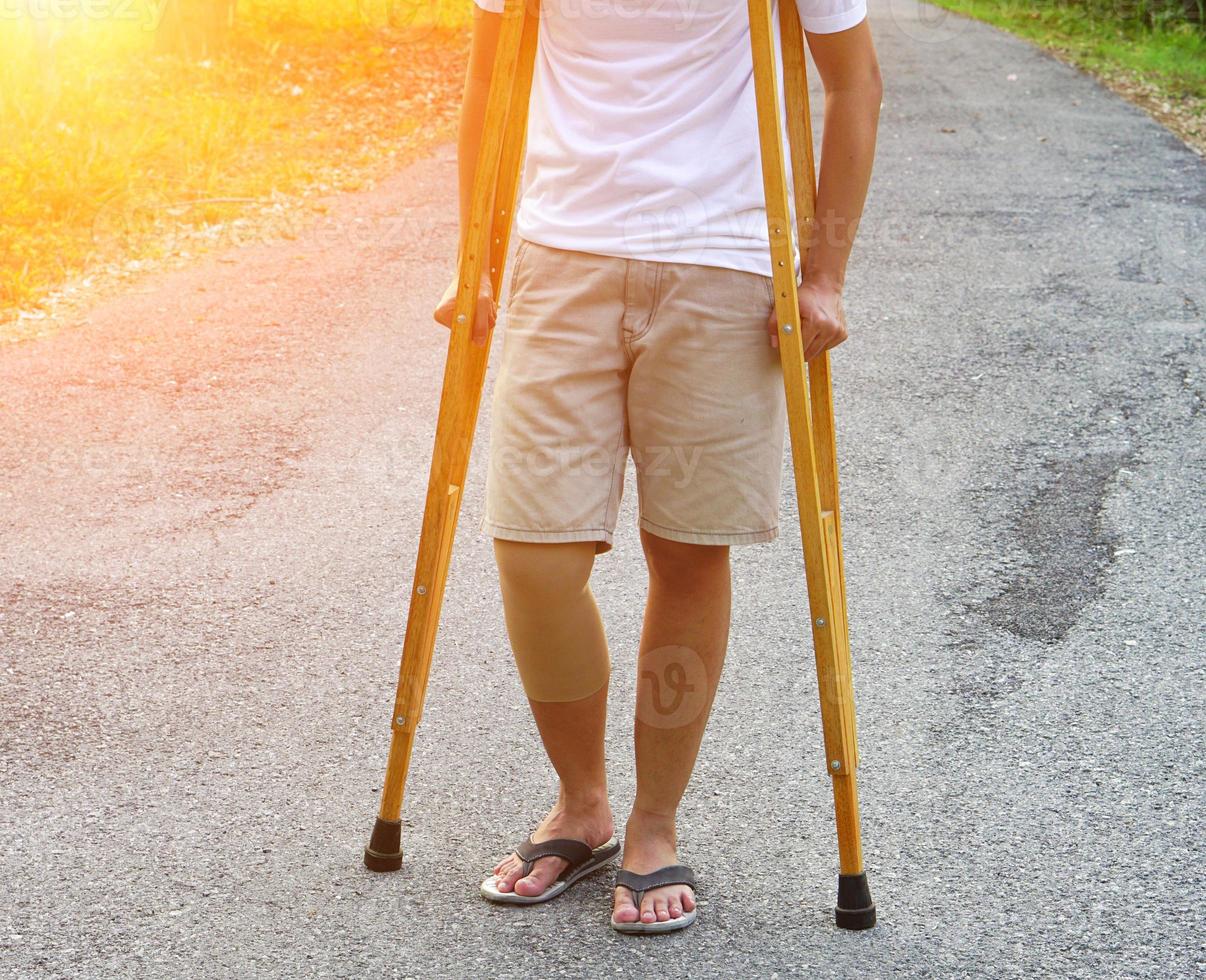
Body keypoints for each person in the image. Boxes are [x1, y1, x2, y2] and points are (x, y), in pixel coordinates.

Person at [434, 0, 881, 934]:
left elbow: (850, 80)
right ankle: (581, 804)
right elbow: (487, 76)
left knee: (687, 549)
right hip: (561, 256)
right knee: (532, 550)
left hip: (724, 264)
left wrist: (826, 271)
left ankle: (652, 823)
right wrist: (473, 252)